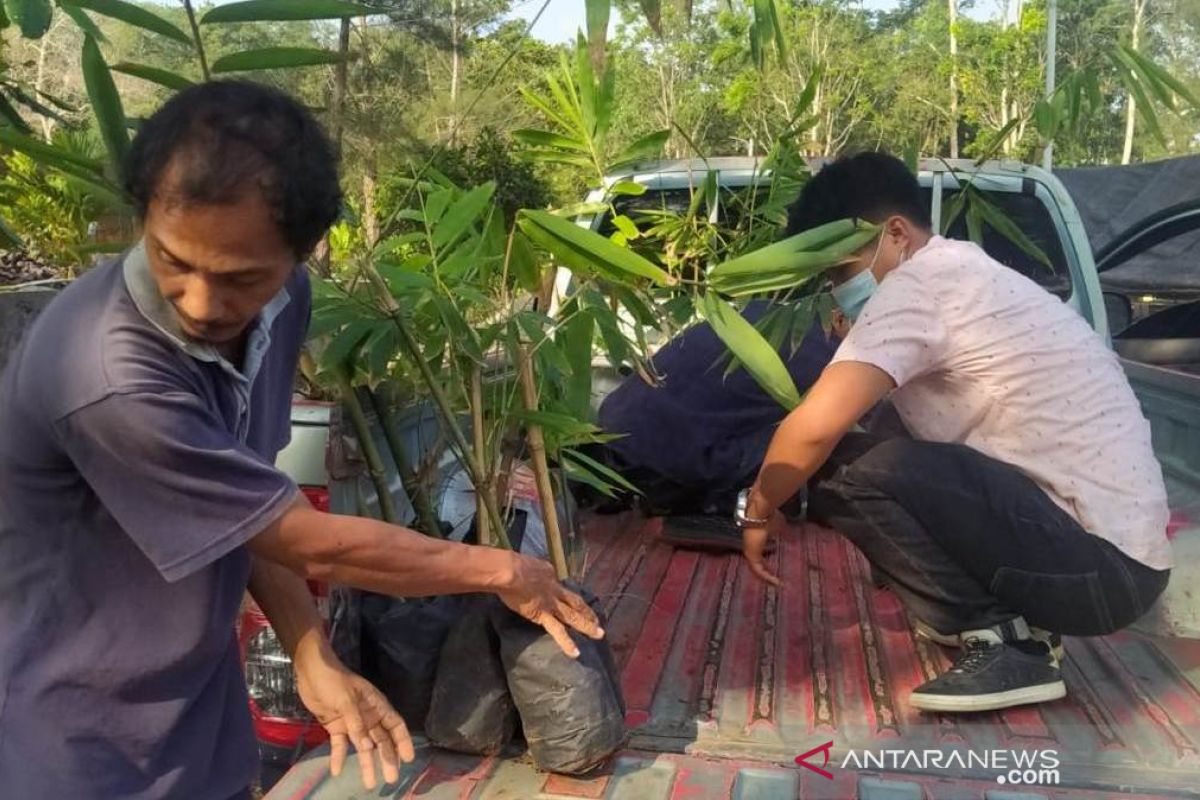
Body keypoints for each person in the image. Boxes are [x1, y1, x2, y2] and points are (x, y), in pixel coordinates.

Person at [0, 81, 601, 799]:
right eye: (172, 260)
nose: (199, 303)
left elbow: (250, 511)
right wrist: (503, 570)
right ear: (143, 219)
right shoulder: (107, 372)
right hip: (74, 745)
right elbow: (305, 540)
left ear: (302, 253)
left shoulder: (284, 305)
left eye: (240, 278)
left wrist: (310, 651)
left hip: (195, 719)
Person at [735, 152, 1172, 713]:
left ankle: (1009, 643)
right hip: (1108, 560)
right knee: (872, 450)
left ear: (895, 234)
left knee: (840, 464)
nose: (837, 288)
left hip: (1097, 568)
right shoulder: (962, 270)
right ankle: (993, 618)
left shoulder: (920, 285)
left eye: (840, 271)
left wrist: (759, 507)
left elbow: (813, 431)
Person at [586, 301, 836, 549]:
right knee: (811, 430)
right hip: (662, 460)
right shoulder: (835, 354)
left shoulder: (772, 311)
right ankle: (718, 509)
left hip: (615, 429)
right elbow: (814, 436)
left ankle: (671, 494)